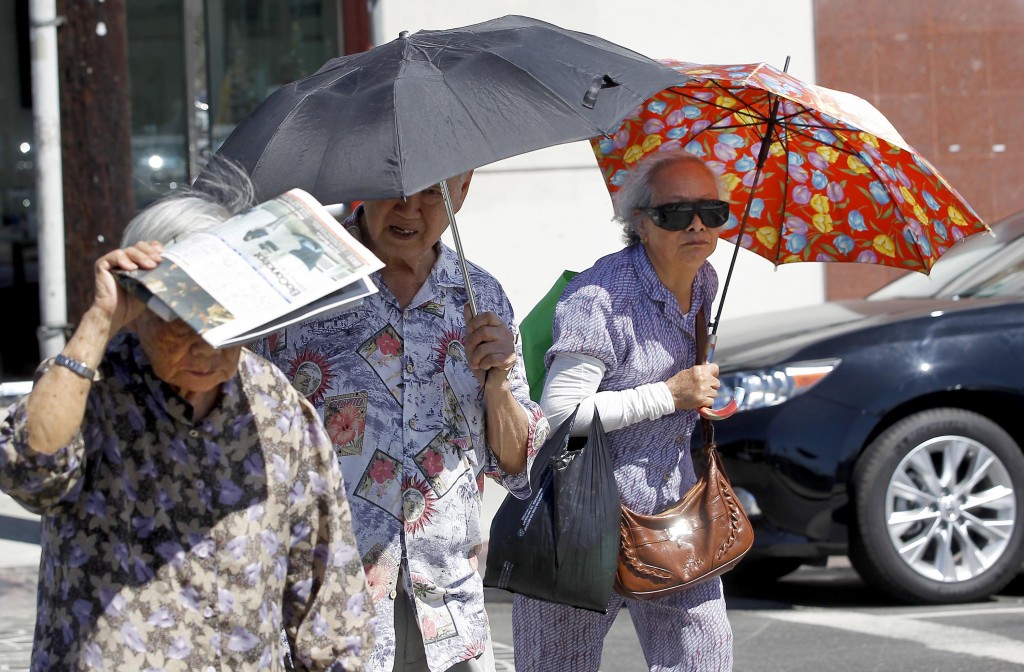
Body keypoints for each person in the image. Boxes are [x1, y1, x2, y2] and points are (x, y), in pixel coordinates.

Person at [0, 171, 376, 671]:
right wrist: (100, 318)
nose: (205, 344)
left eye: (222, 318)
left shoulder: (276, 406)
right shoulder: (88, 386)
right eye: (180, 318)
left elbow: (328, 591)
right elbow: (29, 472)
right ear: (142, 308)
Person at [254, 172, 549, 672]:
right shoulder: (300, 284)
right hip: (329, 601)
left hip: (448, 608)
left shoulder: (480, 297)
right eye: (393, 187)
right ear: (362, 184)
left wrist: (496, 382)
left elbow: (516, 463)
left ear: (463, 191)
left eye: (432, 192)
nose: (409, 208)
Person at [512, 148, 734, 671]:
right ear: (641, 222)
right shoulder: (600, 297)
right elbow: (558, 414)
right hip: (581, 517)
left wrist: (700, 400)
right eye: (677, 213)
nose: (697, 225)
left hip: (671, 511)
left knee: (704, 656)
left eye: (713, 211)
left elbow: (676, 392)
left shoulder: (704, 282)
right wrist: (668, 395)